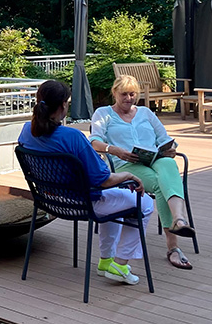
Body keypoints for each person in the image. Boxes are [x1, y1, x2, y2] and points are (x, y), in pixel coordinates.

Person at [18, 80, 154, 285]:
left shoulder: (26, 130)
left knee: (118, 198)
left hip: (50, 201)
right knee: (143, 203)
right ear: (63, 105)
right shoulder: (72, 136)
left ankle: (107, 261)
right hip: (84, 203)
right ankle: (120, 263)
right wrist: (129, 176)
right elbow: (103, 180)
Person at [89, 74, 196, 270]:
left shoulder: (146, 113)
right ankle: (174, 244)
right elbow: (94, 141)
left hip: (154, 159)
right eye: (124, 94)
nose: (129, 98)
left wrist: (169, 149)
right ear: (114, 93)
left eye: (133, 94)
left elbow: (164, 137)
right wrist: (115, 150)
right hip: (126, 166)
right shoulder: (103, 113)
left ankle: (179, 220)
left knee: (169, 165)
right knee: (161, 184)